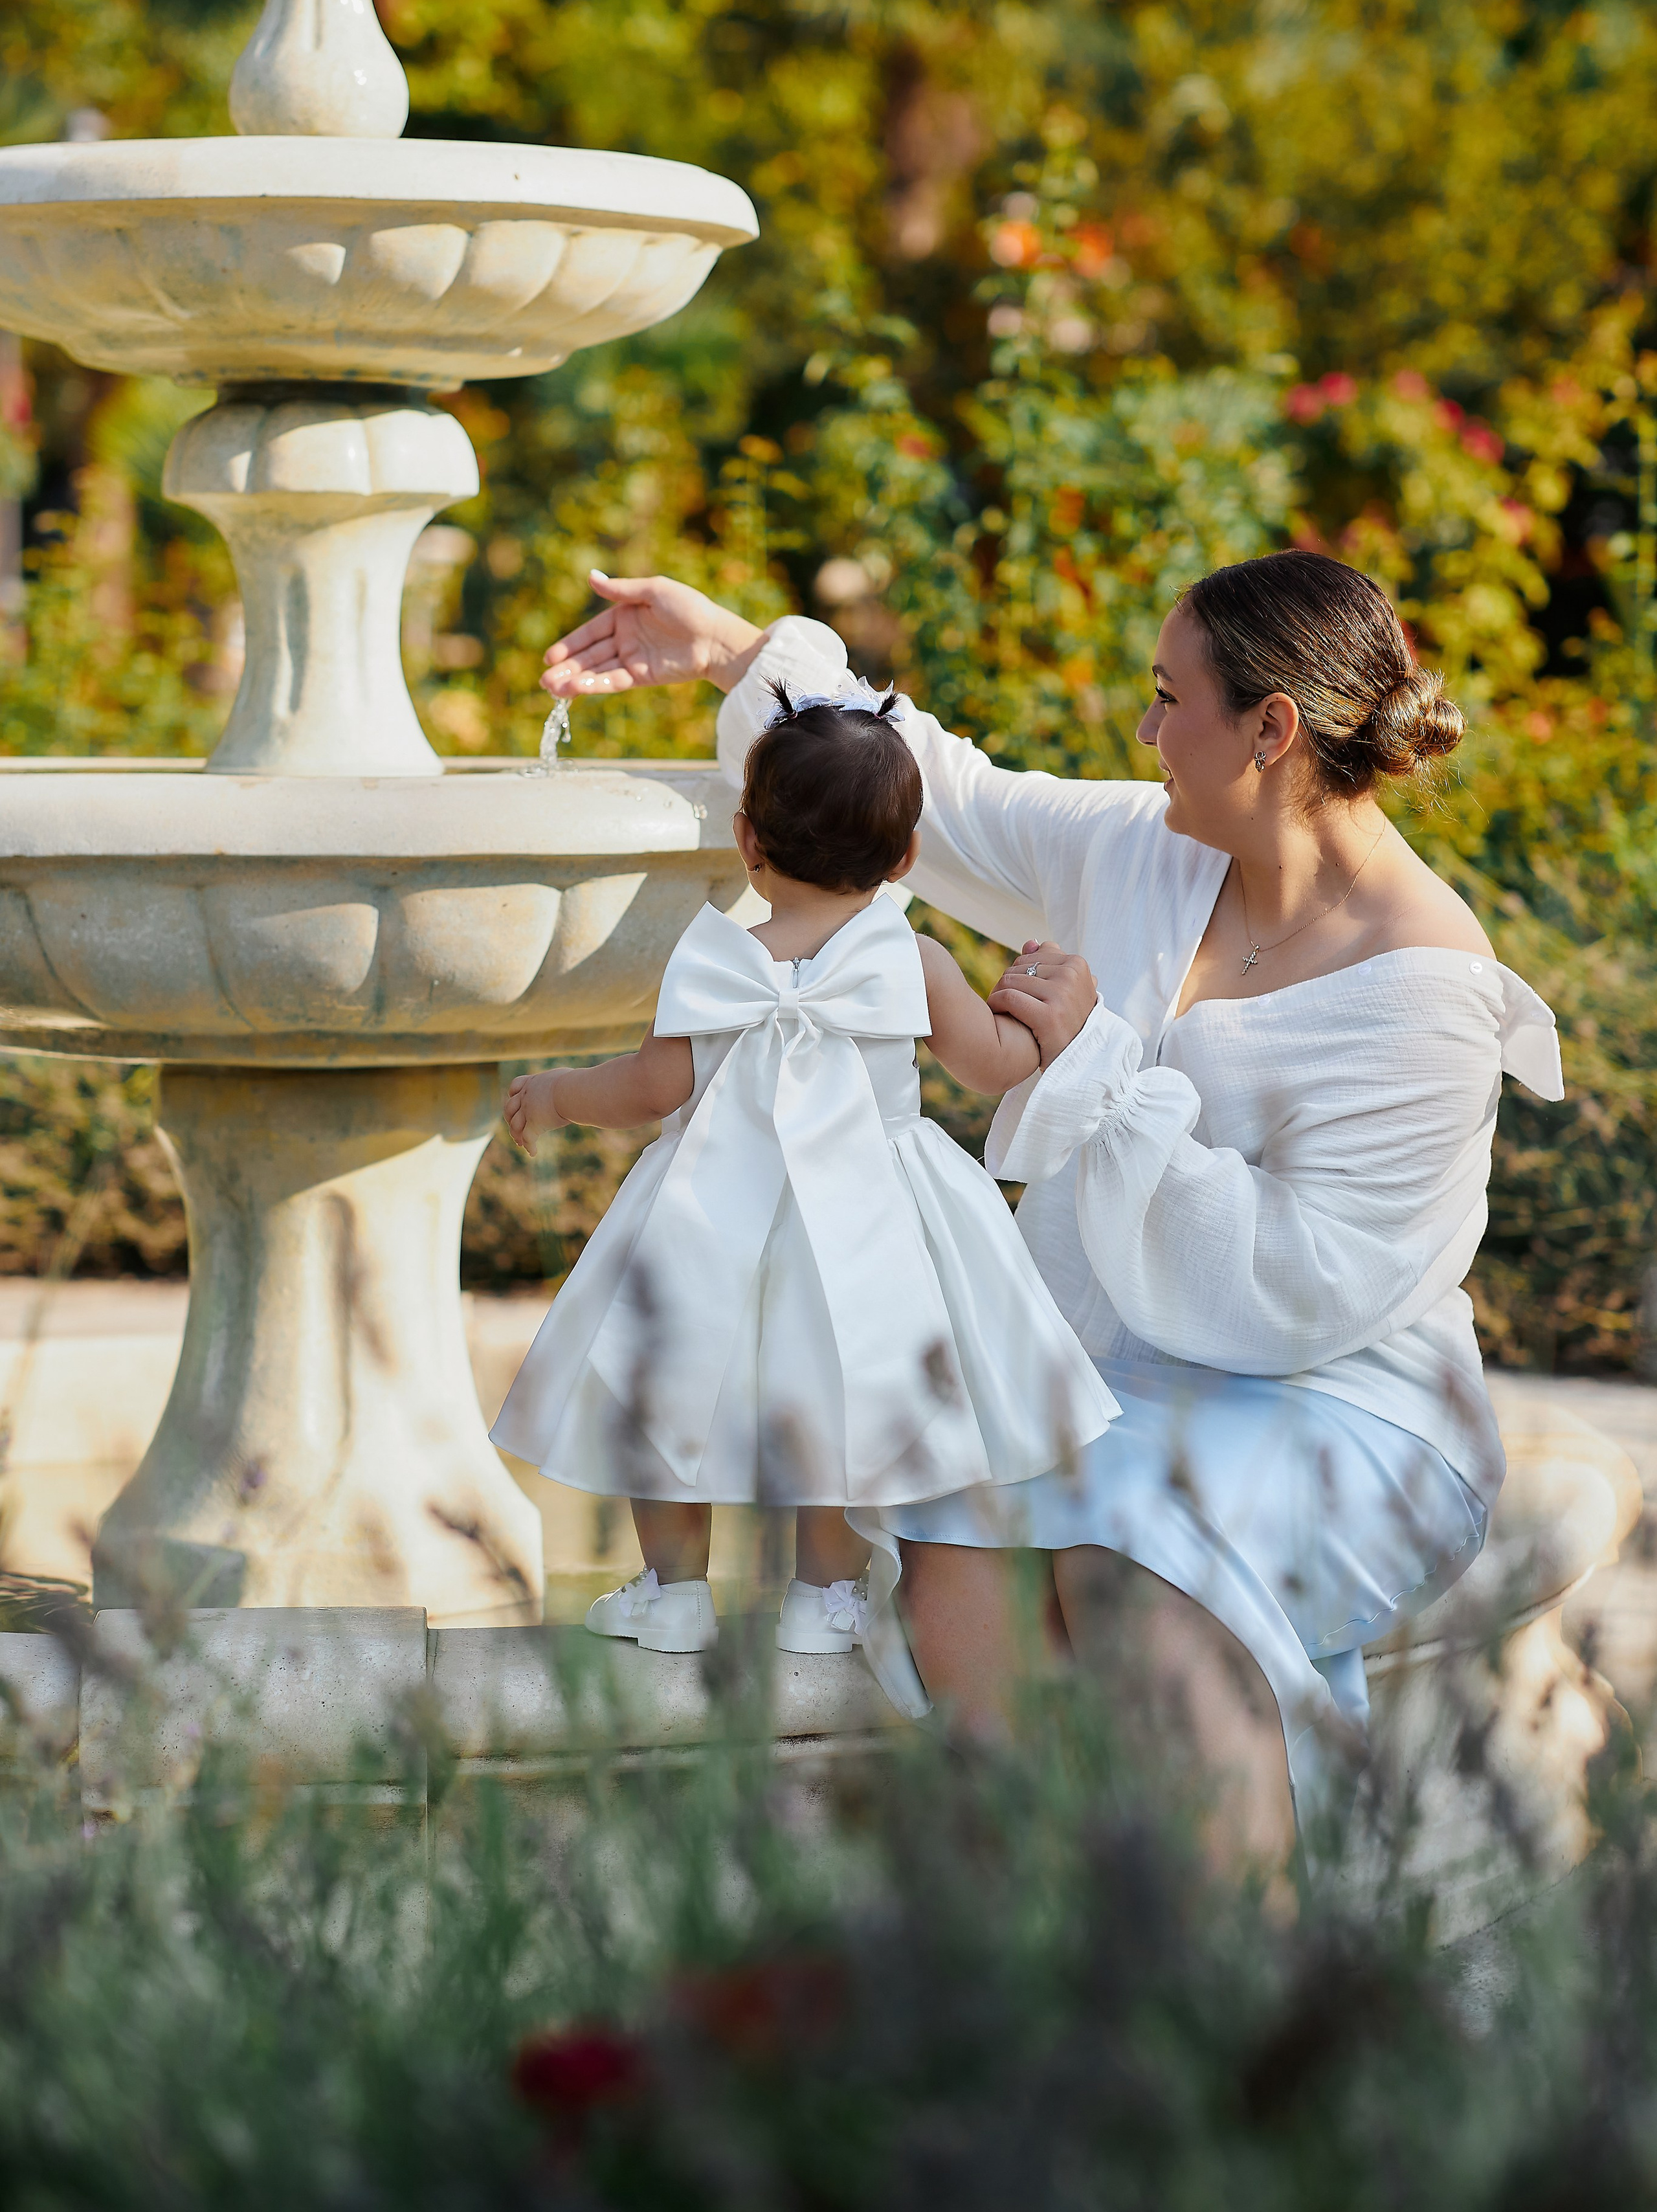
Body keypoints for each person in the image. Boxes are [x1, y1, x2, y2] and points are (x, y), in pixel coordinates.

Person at [535, 550, 1564, 1856]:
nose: (1143, 729)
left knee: (1127, 1558)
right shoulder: (1144, 849)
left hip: (1345, 1410)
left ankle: (1237, 1955)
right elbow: (945, 798)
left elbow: (1301, 1289)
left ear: (1270, 729)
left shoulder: (1421, 984)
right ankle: (1048, 1930)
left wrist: (1097, 1070)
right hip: (1104, 1387)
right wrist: (735, 651)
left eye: (1166, 699)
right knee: (954, 1536)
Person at [489, 681, 1117, 1715]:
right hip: (870, 1214)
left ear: (747, 838)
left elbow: (653, 1087)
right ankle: (823, 1596)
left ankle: (674, 1591)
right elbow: (989, 1065)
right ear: (906, 857)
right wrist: (1043, 1019)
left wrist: (558, 1095)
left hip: (709, 1207)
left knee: (670, 1375)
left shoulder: (713, 957)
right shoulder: (914, 958)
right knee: (839, 1390)